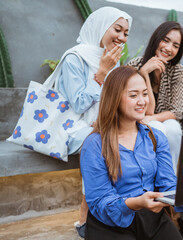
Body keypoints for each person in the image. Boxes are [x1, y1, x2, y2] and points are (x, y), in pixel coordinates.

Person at [80, 66, 183, 239]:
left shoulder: (156, 137)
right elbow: (100, 202)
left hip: (152, 219)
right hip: (111, 224)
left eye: (145, 94)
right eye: (133, 95)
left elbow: (169, 184)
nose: (142, 101)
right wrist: (135, 203)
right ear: (114, 98)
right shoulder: (94, 144)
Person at [53, 7, 132, 238]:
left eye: (126, 33)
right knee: (98, 142)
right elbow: (78, 105)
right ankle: (87, 211)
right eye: (117, 29)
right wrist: (101, 73)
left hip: (101, 124)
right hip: (71, 127)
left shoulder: (111, 60)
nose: (122, 37)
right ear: (99, 26)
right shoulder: (74, 57)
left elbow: (113, 101)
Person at [128, 21, 183, 173]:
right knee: (157, 128)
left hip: (157, 120)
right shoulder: (134, 65)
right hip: (135, 120)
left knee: (173, 128)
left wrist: (151, 119)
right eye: (165, 40)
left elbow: (176, 112)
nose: (169, 48)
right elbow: (144, 110)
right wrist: (144, 73)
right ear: (156, 39)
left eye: (175, 45)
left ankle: (169, 178)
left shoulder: (177, 71)